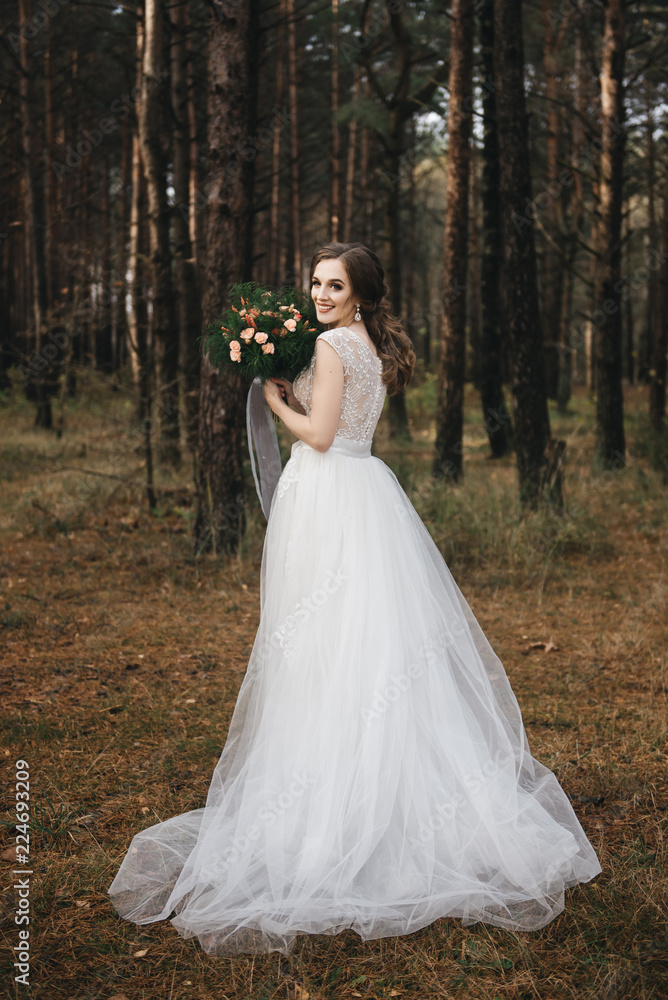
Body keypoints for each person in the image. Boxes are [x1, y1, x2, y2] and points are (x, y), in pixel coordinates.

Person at [108, 242, 601, 957]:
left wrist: (277, 399)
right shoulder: (364, 343)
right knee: (365, 645)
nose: (320, 294)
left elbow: (322, 433)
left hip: (333, 494)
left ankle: (336, 813)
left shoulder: (337, 347)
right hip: (364, 494)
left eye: (334, 285)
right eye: (315, 282)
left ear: (360, 293)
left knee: (328, 646)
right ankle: (369, 789)